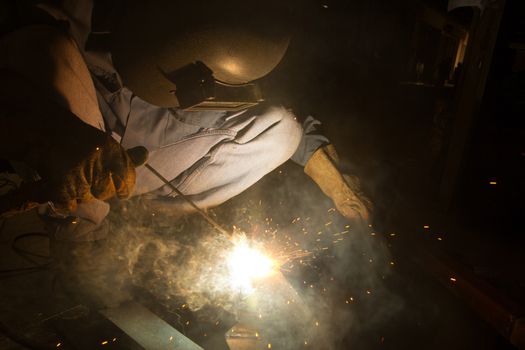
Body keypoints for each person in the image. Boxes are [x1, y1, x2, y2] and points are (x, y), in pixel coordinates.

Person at [0, 0, 372, 241]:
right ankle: (84, 232)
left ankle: (142, 223)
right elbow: (27, 45)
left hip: (150, 119)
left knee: (282, 129)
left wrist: (332, 179)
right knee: (46, 47)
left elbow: (260, 84)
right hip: (78, 108)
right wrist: (54, 131)